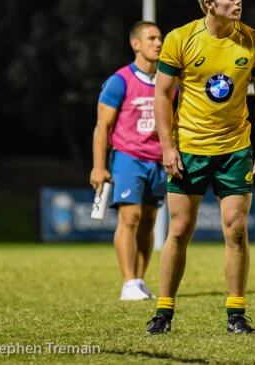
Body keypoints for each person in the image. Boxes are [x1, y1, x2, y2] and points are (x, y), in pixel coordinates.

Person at [147, 0, 255, 335]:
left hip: (235, 149)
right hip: (189, 148)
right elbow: (162, 96)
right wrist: (168, 147)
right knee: (180, 229)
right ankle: (163, 312)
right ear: (209, 3)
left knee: (236, 229)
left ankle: (236, 313)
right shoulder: (179, 39)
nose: (239, 2)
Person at [90, 21, 165, 300]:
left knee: (148, 222)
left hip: (158, 160)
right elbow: (102, 127)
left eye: (160, 38)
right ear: (136, 44)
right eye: (152, 38)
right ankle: (128, 281)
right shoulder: (119, 81)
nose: (158, 43)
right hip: (127, 157)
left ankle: (140, 281)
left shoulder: (168, 83)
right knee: (130, 217)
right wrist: (99, 166)